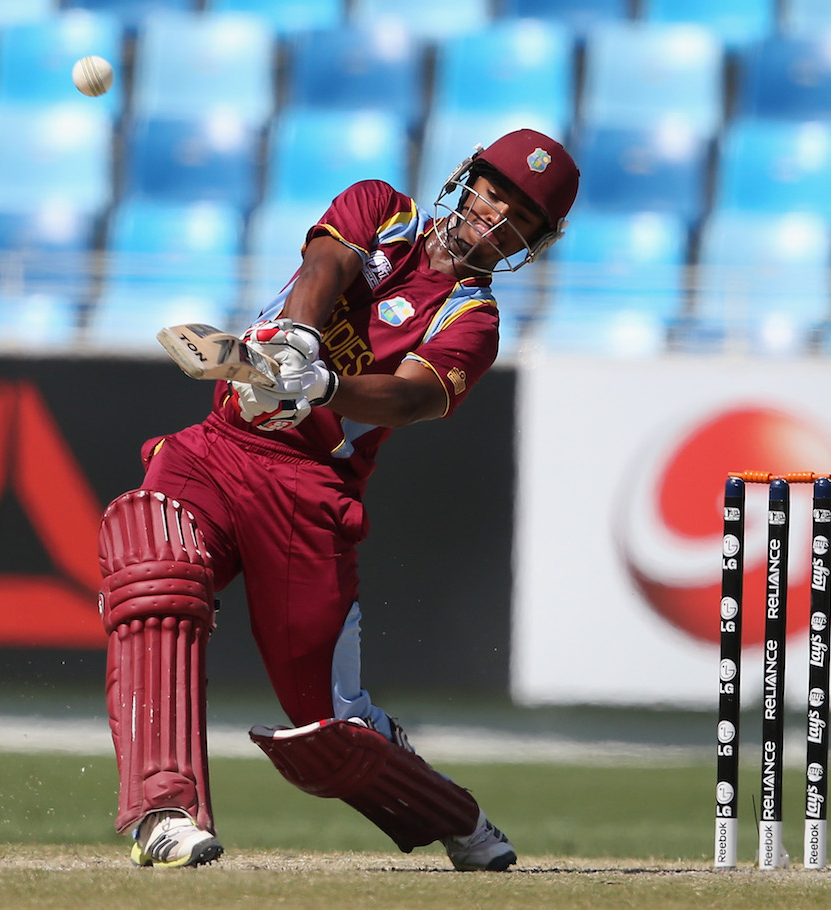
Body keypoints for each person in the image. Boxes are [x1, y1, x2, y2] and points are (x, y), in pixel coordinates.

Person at [97, 128, 579, 870]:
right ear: (466, 178)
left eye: (518, 213)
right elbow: (324, 264)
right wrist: (296, 337)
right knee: (153, 569)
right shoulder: (383, 209)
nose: (493, 214)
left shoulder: (472, 321)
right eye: (492, 190)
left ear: (533, 242)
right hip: (220, 446)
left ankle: (458, 818)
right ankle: (166, 811)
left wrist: (323, 386)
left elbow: (414, 398)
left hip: (308, 490)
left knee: (329, 728)